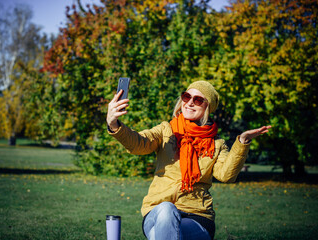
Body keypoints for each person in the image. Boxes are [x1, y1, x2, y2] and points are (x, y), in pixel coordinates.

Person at [106, 80, 271, 240]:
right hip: (158, 214)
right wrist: (114, 125)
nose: (190, 102)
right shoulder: (166, 130)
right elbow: (139, 144)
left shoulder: (216, 144)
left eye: (198, 100)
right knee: (166, 209)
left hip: (197, 217)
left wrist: (242, 142)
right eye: (187, 97)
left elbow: (226, 175)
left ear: (208, 107)